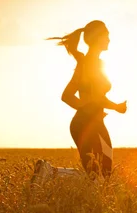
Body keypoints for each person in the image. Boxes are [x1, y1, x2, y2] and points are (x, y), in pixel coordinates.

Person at [48, 20, 127, 178]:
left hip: (91, 122)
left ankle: (51, 173)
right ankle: (49, 173)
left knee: (99, 175)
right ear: (98, 37)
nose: (109, 39)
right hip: (87, 124)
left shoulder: (89, 63)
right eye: (107, 35)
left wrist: (90, 107)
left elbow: (86, 97)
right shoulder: (89, 63)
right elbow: (78, 96)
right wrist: (111, 106)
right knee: (100, 176)